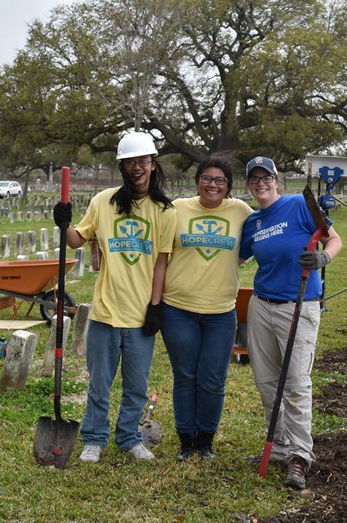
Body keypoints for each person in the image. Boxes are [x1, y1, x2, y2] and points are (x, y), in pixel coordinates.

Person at [53, 131, 177, 463]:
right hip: (106, 312)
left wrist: (156, 306)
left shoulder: (164, 210)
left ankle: (129, 438)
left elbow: (161, 261)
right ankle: (94, 438)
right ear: (122, 166)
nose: (136, 167)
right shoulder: (103, 202)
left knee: (136, 386)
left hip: (140, 316)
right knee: (100, 383)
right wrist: (63, 222)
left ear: (152, 164)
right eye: (129, 162)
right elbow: (76, 240)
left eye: (142, 161)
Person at [238, 156, 342, 489]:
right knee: (268, 383)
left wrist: (324, 256)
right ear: (248, 185)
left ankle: (300, 456)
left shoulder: (299, 205)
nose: (261, 184)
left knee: (296, 383)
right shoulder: (252, 222)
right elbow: (236, 256)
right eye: (254, 179)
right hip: (261, 306)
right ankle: (280, 447)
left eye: (266, 177)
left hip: (298, 305)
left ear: (276, 179)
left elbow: (333, 239)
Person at [160, 155, 253, 460]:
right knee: (185, 376)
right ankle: (186, 440)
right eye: (207, 178)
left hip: (221, 311)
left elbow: (259, 238)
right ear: (197, 181)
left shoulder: (241, 211)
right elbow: (161, 255)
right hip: (178, 308)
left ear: (229, 186)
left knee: (213, 379)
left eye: (220, 180)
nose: (213, 185)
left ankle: (206, 440)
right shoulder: (177, 208)